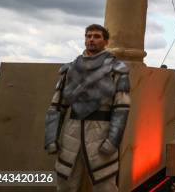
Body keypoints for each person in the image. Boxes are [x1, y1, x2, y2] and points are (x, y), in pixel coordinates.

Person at [44, 24, 130, 191]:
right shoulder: (70, 69)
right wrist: (51, 137)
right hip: (72, 131)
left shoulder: (117, 69)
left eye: (97, 36)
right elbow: (56, 105)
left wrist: (113, 140)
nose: (91, 39)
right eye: (88, 36)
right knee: (66, 183)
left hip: (101, 132)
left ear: (105, 41)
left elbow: (121, 108)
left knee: (106, 185)